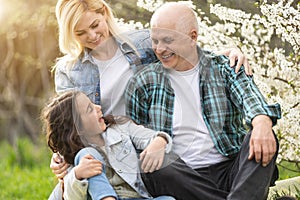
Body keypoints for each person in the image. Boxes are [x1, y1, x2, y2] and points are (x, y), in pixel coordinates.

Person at [51, 0, 252, 180]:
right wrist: (59, 155)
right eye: (81, 33)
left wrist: (229, 53)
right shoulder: (69, 71)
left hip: (150, 140)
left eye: (95, 25)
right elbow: (68, 123)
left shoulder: (143, 43)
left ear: (104, 13)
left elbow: (188, 54)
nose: (92, 36)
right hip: (109, 150)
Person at [125, 2, 281, 200]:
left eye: (167, 40)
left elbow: (252, 101)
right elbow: (130, 131)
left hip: (230, 172)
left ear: (192, 37)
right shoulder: (143, 81)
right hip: (180, 177)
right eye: (155, 41)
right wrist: (152, 141)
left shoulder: (224, 68)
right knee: (155, 162)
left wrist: (261, 123)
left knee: (263, 132)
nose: (159, 48)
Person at [42, 91, 175, 200]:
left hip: (134, 197)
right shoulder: (73, 156)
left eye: (93, 103)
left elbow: (150, 136)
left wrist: (160, 140)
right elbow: (70, 197)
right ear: (77, 128)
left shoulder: (120, 128)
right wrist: (77, 174)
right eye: (90, 109)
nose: (98, 108)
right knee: (87, 155)